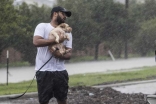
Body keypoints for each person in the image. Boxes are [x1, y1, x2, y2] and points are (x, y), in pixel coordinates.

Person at [33, 6, 72, 104]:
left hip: (60, 71)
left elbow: (69, 54)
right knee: (44, 101)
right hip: (44, 71)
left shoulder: (67, 32)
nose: (65, 17)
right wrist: (56, 40)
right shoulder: (43, 26)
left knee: (62, 100)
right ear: (55, 13)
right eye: (63, 14)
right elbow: (36, 42)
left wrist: (59, 54)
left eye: (66, 15)